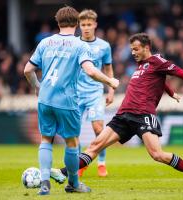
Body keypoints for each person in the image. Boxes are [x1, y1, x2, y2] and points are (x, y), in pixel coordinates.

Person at [50, 33, 183, 189]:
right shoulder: (142, 66)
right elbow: (155, 80)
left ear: (146, 48)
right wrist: (170, 92)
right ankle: (63, 172)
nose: (133, 53)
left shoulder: (158, 61)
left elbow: (182, 74)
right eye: (132, 49)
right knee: (94, 146)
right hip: (123, 115)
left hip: (143, 114)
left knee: (157, 154)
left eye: (136, 49)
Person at [24, 6, 119, 195]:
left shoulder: (45, 42)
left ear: (57, 23)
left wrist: (37, 85)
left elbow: (27, 70)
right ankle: (74, 183)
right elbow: (90, 70)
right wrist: (110, 81)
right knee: (72, 142)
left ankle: (44, 183)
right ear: (76, 24)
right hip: (66, 101)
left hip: (45, 99)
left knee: (46, 140)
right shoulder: (80, 45)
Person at [76, 9, 115, 177]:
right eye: (83, 24)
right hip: (75, 94)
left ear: (95, 25)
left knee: (99, 129)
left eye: (89, 24)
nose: (86, 28)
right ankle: (77, 165)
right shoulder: (74, 44)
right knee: (73, 133)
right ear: (79, 25)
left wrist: (111, 90)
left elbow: (108, 69)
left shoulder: (104, 46)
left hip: (95, 93)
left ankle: (101, 163)